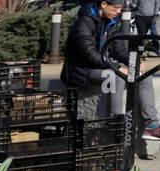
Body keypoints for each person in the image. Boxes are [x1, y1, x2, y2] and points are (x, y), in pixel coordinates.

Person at [62, 0, 160, 137]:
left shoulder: (111, 22)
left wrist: (135, 62)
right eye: (116, 8)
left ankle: (152, 125)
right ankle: (116, 123)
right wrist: (116, 67)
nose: (118, 12)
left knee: (144, 75)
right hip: (81, 70)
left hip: (102, 66)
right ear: (104, 4)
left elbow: (117, 49)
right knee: (115, 77)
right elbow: (90, 54)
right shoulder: (84, 23)